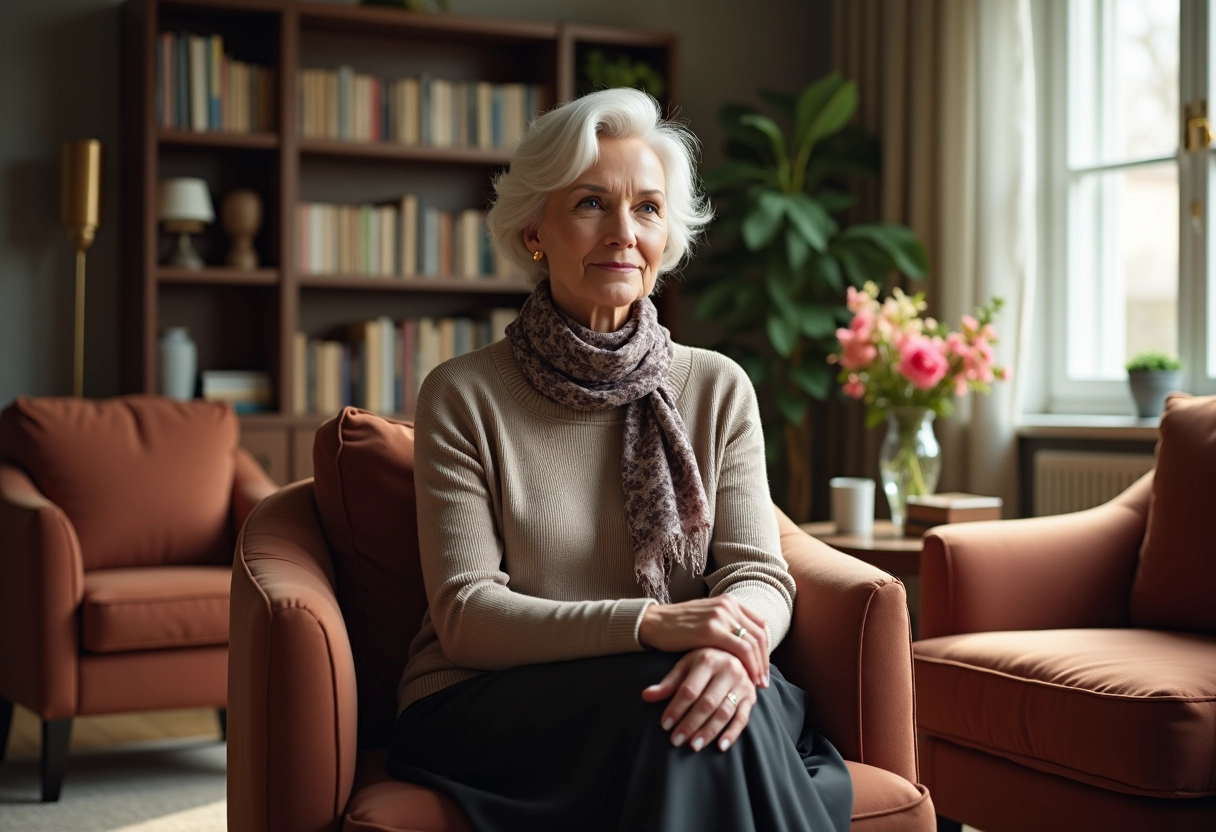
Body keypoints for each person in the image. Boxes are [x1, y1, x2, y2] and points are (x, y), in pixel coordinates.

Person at [386, 87, 853, 832]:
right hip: (490, 695)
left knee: (710, 709)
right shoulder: (464, 394)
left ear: (667, 235)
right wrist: (651, 626)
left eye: (647, 208)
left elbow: (759, 574)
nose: (623, 233)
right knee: (686, 717)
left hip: (663, 678)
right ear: (535, 228)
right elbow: (468, 614)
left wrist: (730, 649)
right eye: (590, 204)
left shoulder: (716, 386)